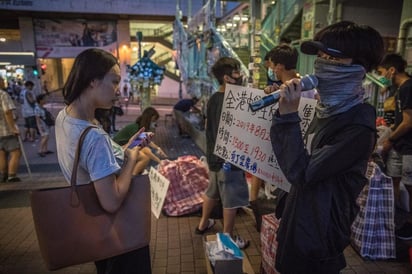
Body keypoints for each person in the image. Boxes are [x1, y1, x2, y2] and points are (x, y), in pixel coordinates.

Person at [270, 21, 384, 273]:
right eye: (320, 56)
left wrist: (287, 116)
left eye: (332, 58)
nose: (321, 64)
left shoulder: (358, 129)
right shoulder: (326, 111)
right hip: (298, 224)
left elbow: (302, 172)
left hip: (318, 237)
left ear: (358, 68)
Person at [55, 48, 152, 274]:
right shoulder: (93, 136)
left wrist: (126, 148)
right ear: (93, 81)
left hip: (96, 228)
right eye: (114, 81)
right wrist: (131, 160)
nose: (117, 90)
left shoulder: (65, 117)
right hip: (120, 233)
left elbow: (97, 161)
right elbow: (112, 201)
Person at [250, 44, 318, 232]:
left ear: (279, 66)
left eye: (271, 65)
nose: (270, 70)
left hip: (292, 155)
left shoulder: (298, 89)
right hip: (296, 154)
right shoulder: (301, 87)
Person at [195, 57, 250, 249]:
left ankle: (203, 224)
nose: (240, 75)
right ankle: (228, 237)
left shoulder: (213, 99)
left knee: (213, 190)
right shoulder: (233, 100)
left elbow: (208, 126)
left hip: (213, 156)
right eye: (236, 72)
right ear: (227, 77)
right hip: (230, 158)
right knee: (230, 197)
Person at [378, 53, 412, 240]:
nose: (382, 76)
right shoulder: (400, 89)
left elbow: (408, 122)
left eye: (382, 72)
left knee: (410, 185)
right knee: (395, 181)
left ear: (392, 70)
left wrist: (390, 139)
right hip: (401, 145)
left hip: (408, 146)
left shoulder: (408, 87)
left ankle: (409, 224)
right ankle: (396, 221)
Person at [113, 107, 168, 172]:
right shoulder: (135, 128)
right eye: (153, 121)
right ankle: (132, 177)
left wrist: (158, 148)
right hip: (117, 150)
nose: (154, 123)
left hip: (122, 147)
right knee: (144, 157)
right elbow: (145, 147)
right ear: (148, 119)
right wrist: (160, 162)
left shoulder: (138, 127)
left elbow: (148, 142)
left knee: (144, 152)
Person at [0, 76, 21, 183]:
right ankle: (12, 175)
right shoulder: (2, 94)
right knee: (15, 152)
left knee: (2, 152)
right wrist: (13, 128)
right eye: (2, 80)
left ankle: (3, 174)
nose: (4, 82)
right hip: (5, 129)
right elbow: (7, 112)